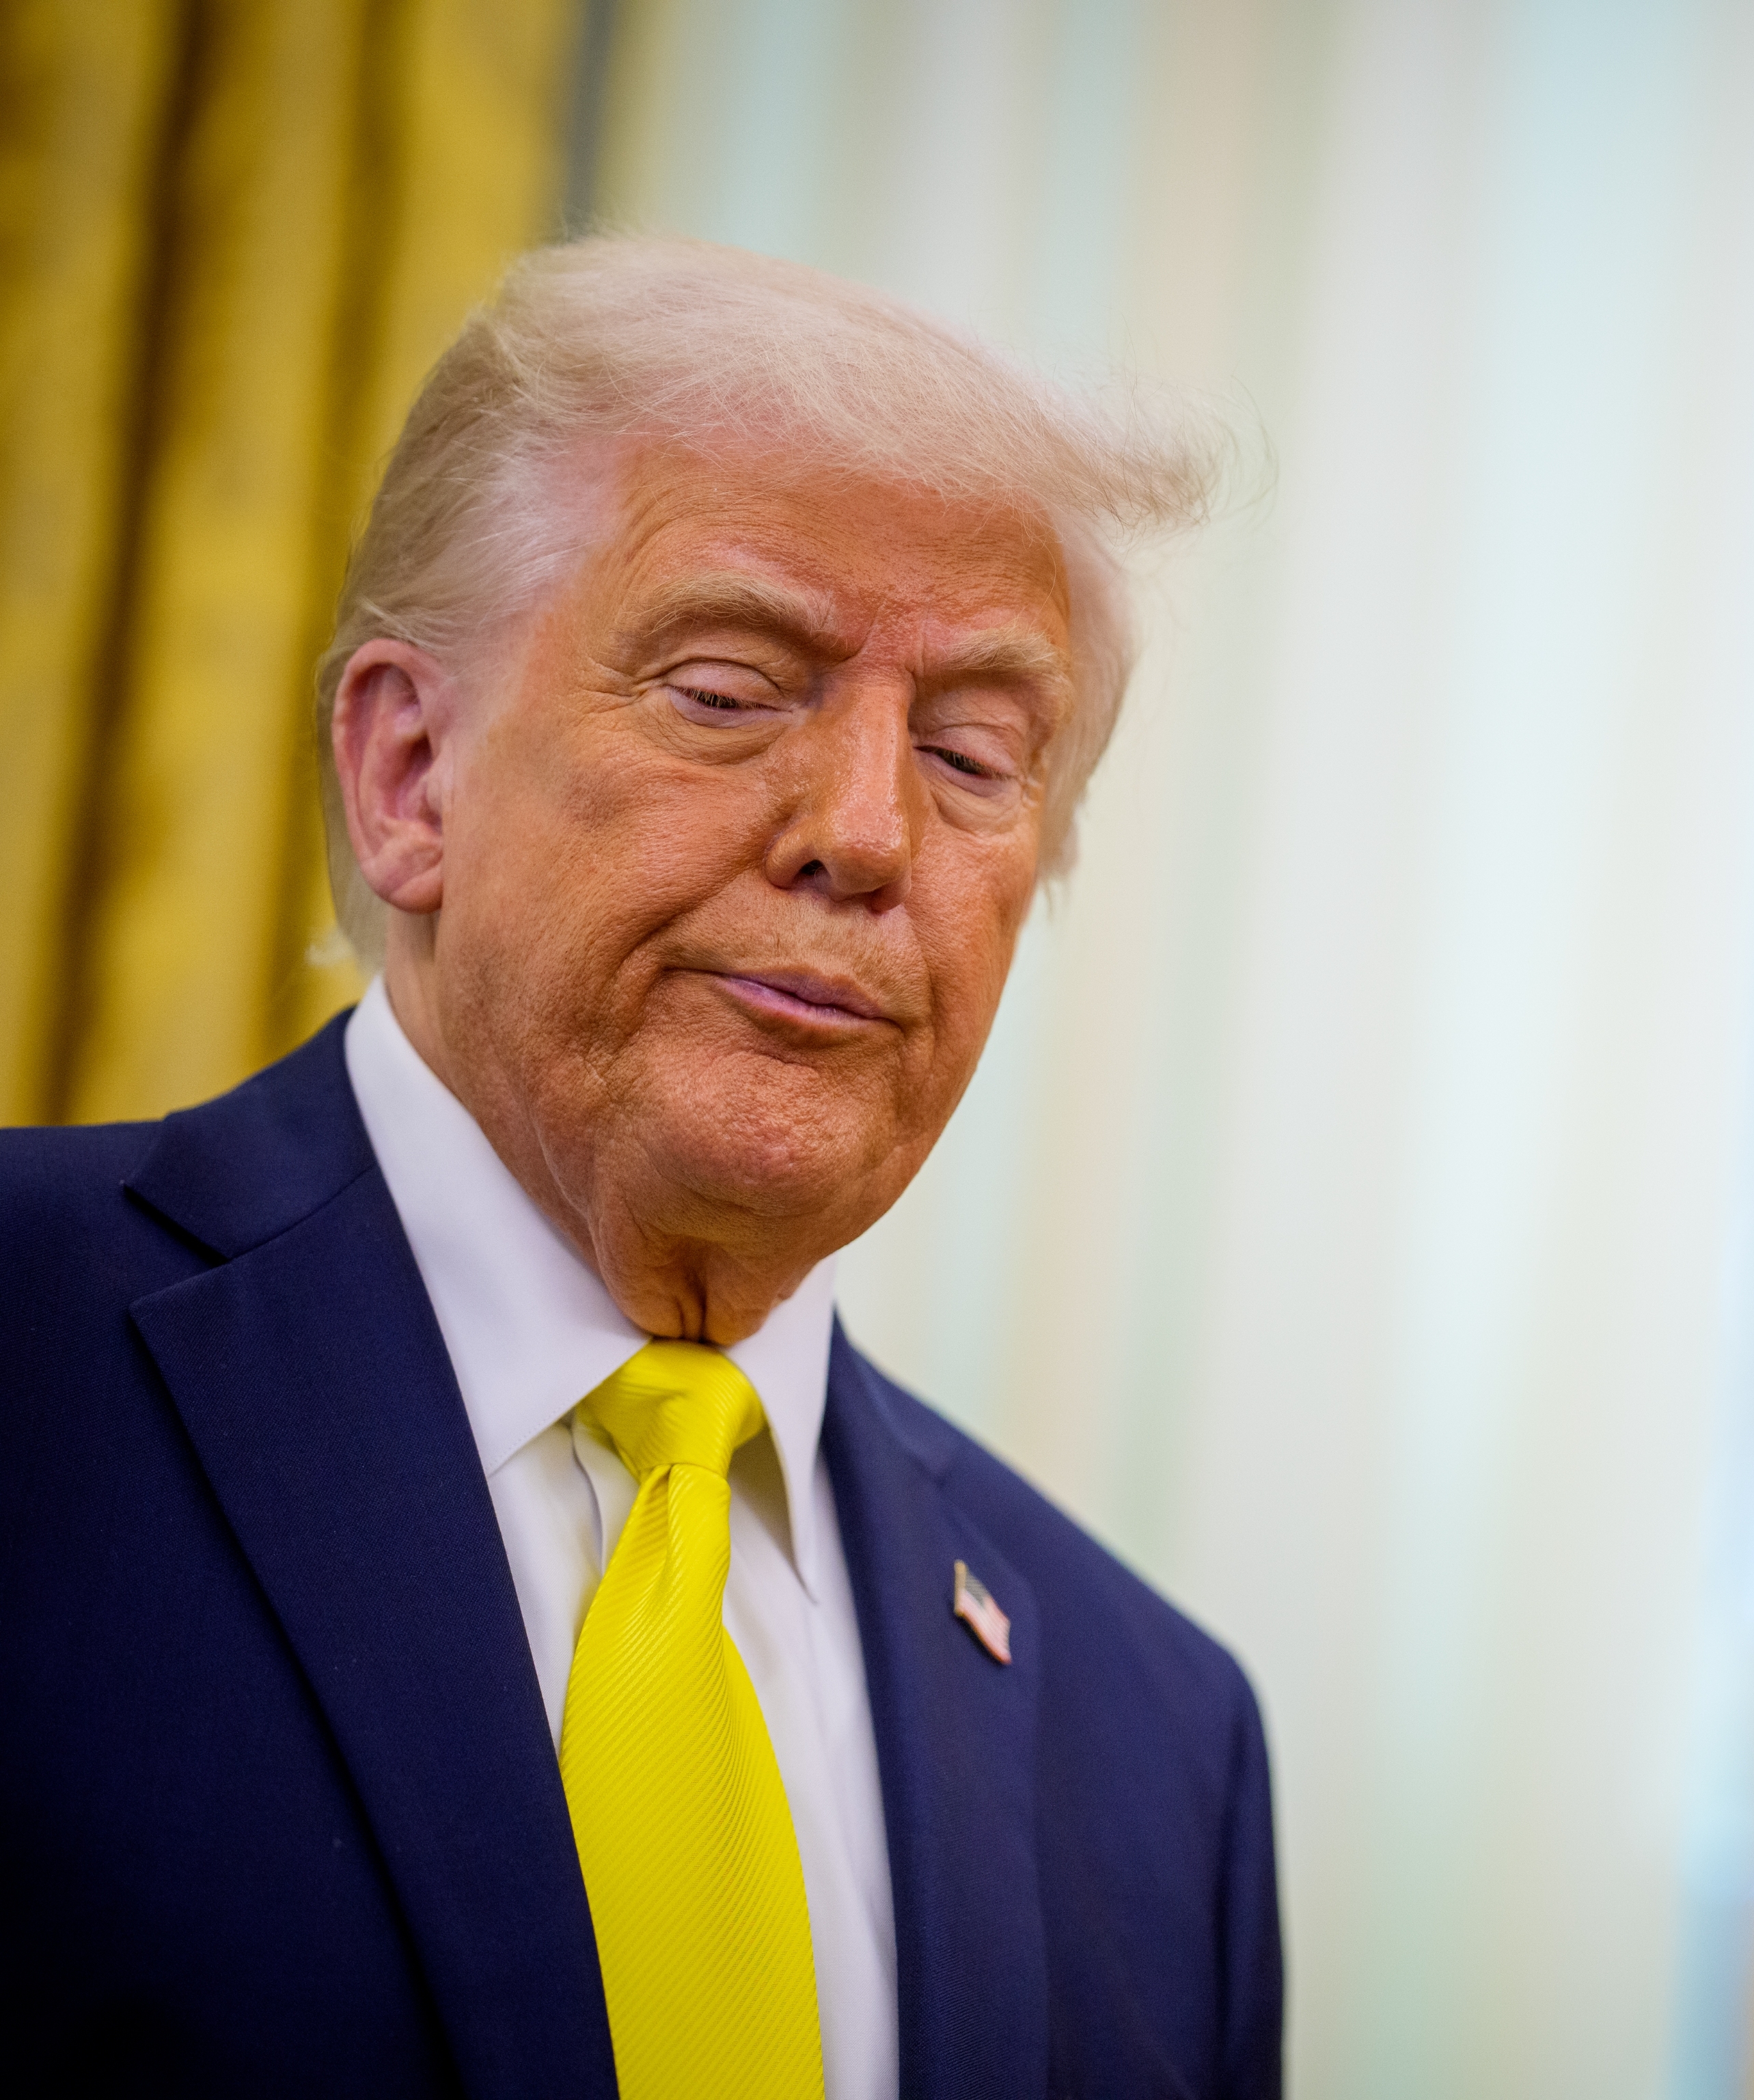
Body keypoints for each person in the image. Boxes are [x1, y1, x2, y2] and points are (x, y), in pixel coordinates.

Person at [0, 237, 1281, 2099]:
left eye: (971, 751)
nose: (863, 831)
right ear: (408, 773)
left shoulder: (1158, 1744)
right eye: (726, 685)